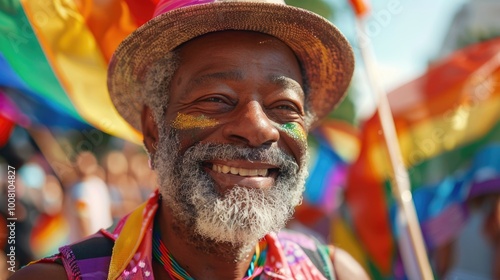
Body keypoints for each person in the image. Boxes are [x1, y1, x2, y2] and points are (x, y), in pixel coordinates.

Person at [10, 0, 369, 279]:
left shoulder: (333, 274)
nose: (259, 128)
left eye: (284, 106)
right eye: (216, 99)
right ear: (153, 129)